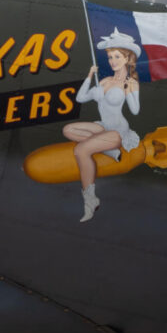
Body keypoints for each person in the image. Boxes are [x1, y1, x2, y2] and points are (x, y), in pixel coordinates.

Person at [62, 29, 141, 222]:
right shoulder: (104, 81)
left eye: (116, 56)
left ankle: (90, 199)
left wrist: (129, 90)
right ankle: (110, 152)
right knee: (68, 130)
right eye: (110, 57)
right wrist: (90, 76)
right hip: (102, 127)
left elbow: (135, 110)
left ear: (127, 58)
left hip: (117, 132)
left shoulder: (130, 83)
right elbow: (81, 97)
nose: (112, 61)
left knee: (81, 150)